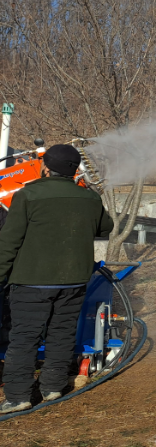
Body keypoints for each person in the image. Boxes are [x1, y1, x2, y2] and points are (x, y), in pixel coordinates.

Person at [0, 144, 113, 413]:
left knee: (24, 338)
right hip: (74, 281)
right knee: (61, 335)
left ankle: (18, 396)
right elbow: (105, 227)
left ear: (45, 167)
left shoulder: (28, 195)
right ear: (74, 170)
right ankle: (52, 387)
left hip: (32, 282)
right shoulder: (89, 198)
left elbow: (9, 241)